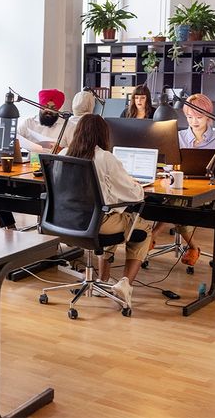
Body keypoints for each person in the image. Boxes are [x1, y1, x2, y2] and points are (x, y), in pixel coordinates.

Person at [59, 114, 153, 308]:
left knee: (116, 217)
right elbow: (135, 195)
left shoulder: (63, 154)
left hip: (65, 222)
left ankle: (104, 277)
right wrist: (137, 185)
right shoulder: (105, 157)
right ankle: (125, 284)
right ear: (103, 135)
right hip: (97, 224)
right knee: (143, 230)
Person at [152, 93, 215, 266]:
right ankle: (192, 247)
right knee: (162, 201)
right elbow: (167, 166)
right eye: (189, 117)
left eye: (199, 117)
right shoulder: (178, 137)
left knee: (175, 204)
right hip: (178, 187)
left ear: (209, 116)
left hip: (206, 192)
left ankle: (153, 236)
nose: (194, 121)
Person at [17, 89, 66, 153]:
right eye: (45, 107)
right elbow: (14, 141)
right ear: (40, 106)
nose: (48, 111)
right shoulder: (29, 123)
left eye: (53, 108)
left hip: (56, 162)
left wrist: (62, 151)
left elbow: (76, 151)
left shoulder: (67, 126)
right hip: (32, 161)